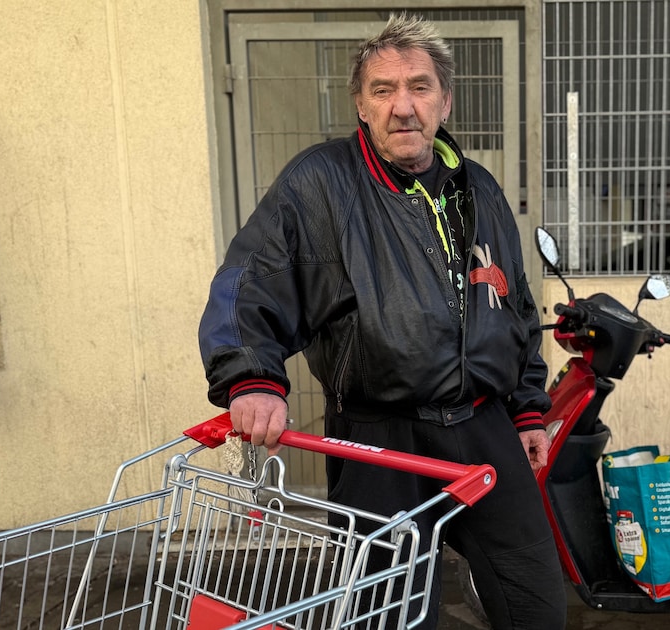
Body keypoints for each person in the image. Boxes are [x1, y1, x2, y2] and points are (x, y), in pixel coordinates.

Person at [198, 12, 566, 630]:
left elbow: (515, 306)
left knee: (535, 602)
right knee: (390, 617)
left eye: (420, 87)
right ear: (361, 105)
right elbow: (250, 281)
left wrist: (527, 407)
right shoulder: (321, 183)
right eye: (383, 90)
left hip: (482, 430)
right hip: (377, 440)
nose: (403, 106)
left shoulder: (479, 188)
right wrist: (253, 378)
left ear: (444, 101)